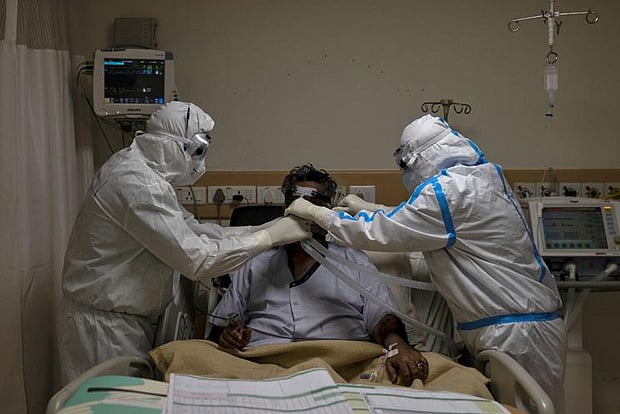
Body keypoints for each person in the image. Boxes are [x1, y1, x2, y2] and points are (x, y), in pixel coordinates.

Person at [285, 115, 567, 412]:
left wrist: (317, 214)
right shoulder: (478, 180)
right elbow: (426, 221)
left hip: (517, 336)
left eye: (405, 166)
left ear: (419, 158)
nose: (405, 174)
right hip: (512, 326)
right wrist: (370, 208)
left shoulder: (448, 192)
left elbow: (381, 231)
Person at [59, 101, 311, 384]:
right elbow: (198, 259)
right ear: (170, 145)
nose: (199, 162)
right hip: (105, 329)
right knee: (113, 400)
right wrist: (269, 238)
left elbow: (194, 230)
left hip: (123, 321)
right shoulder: (137, 183)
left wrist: (265, 227)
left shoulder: (142, 172)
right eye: (196, 151)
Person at [208, 164, 429, 386]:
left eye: (312, 206)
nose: (304, 214)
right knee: (191, 353)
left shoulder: (354, 261)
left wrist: (398, 347)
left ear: (327, 211)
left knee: (429, 369)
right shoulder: (256, 261)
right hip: (264, 360)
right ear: (286, 208)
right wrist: (229, 336)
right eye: (297, 204)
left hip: (340, 363)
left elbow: (384, 319)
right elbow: (223, 325)